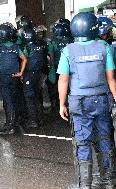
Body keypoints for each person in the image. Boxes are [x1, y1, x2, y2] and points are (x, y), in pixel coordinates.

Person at [58, 12, 116, 189]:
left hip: (80, 103)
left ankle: (85, 185)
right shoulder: (104, 47)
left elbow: (63, 79)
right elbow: (111, 78)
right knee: (105, 139)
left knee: (83, 143)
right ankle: (108, 181)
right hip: (102, 101)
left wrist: (61, 104)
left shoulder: (68, 50)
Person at [0, 23, 27, 134]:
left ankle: (9, 124)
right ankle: (14, 122)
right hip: (15, 77)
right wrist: (20, 73)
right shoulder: (15, 47)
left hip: (4, 77)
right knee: (13, 99)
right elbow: (24, 59)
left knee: (7, 101)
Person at [22, 27, 49, 128]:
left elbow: (24, 60)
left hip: (30, 74)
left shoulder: (28, 47)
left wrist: (21, 73)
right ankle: (40, 118)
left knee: (29, 97)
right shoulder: (41, 46)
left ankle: (33, 120)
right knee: (37, 95)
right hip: (39, 74)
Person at [47, 23, 73, 111]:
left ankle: (57, 105)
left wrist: (51, 68)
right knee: (70, 87)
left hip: (58, 67)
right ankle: (70, 105)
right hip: (70, 68)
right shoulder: (71, 40)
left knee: (56, 86)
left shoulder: (53, 42)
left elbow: (51, 57)